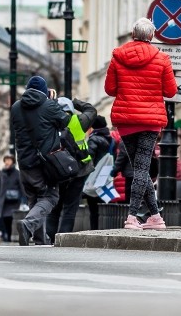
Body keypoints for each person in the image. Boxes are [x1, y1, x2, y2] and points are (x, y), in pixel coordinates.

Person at [105, 17, 177, 230]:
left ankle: (154, 217)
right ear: (152, 36)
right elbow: (170, 91)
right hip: (151, 119)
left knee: (140, 167)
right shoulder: (162, 59)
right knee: (141, 167)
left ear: (132, 34)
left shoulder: (117, 57)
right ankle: (133, 217)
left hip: (126, 120)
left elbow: (110, 89)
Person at [12, 75, 69, 245]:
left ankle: (39, 238)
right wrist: (54, 101)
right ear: (45, 91)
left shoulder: (15, 107)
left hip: (23, 161)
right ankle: (28, 225)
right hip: (45, 162)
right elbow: (64, 121)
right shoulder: (49, 105)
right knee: (50, 197)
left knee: (34, 199)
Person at [46, 96, 97, 243]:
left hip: (57, 171)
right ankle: (63, 239)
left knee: (54, 208)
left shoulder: (49, 123)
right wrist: (75, 101)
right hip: (78, 170)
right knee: (70, 208)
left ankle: (49, 239)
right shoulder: (79, 121)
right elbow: (91, 110)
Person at [85, 115, 114, 230]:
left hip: (94, 177)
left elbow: (89, 158)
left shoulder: (94, 139)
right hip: (106, 176)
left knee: (93, 209)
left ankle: (94, 229)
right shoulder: (110, 139)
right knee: (104, 206)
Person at [0, 155, 22, 242]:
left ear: (13, 161)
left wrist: (23, 199)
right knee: (4, 218)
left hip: (14, 201)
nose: (7, 162)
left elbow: (21, 187)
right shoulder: (2, 173)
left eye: (9, 160)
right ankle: (6, 235)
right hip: (3, 201)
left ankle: (10, 235)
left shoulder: (17, 173)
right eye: (6, 160)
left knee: (11, 218)